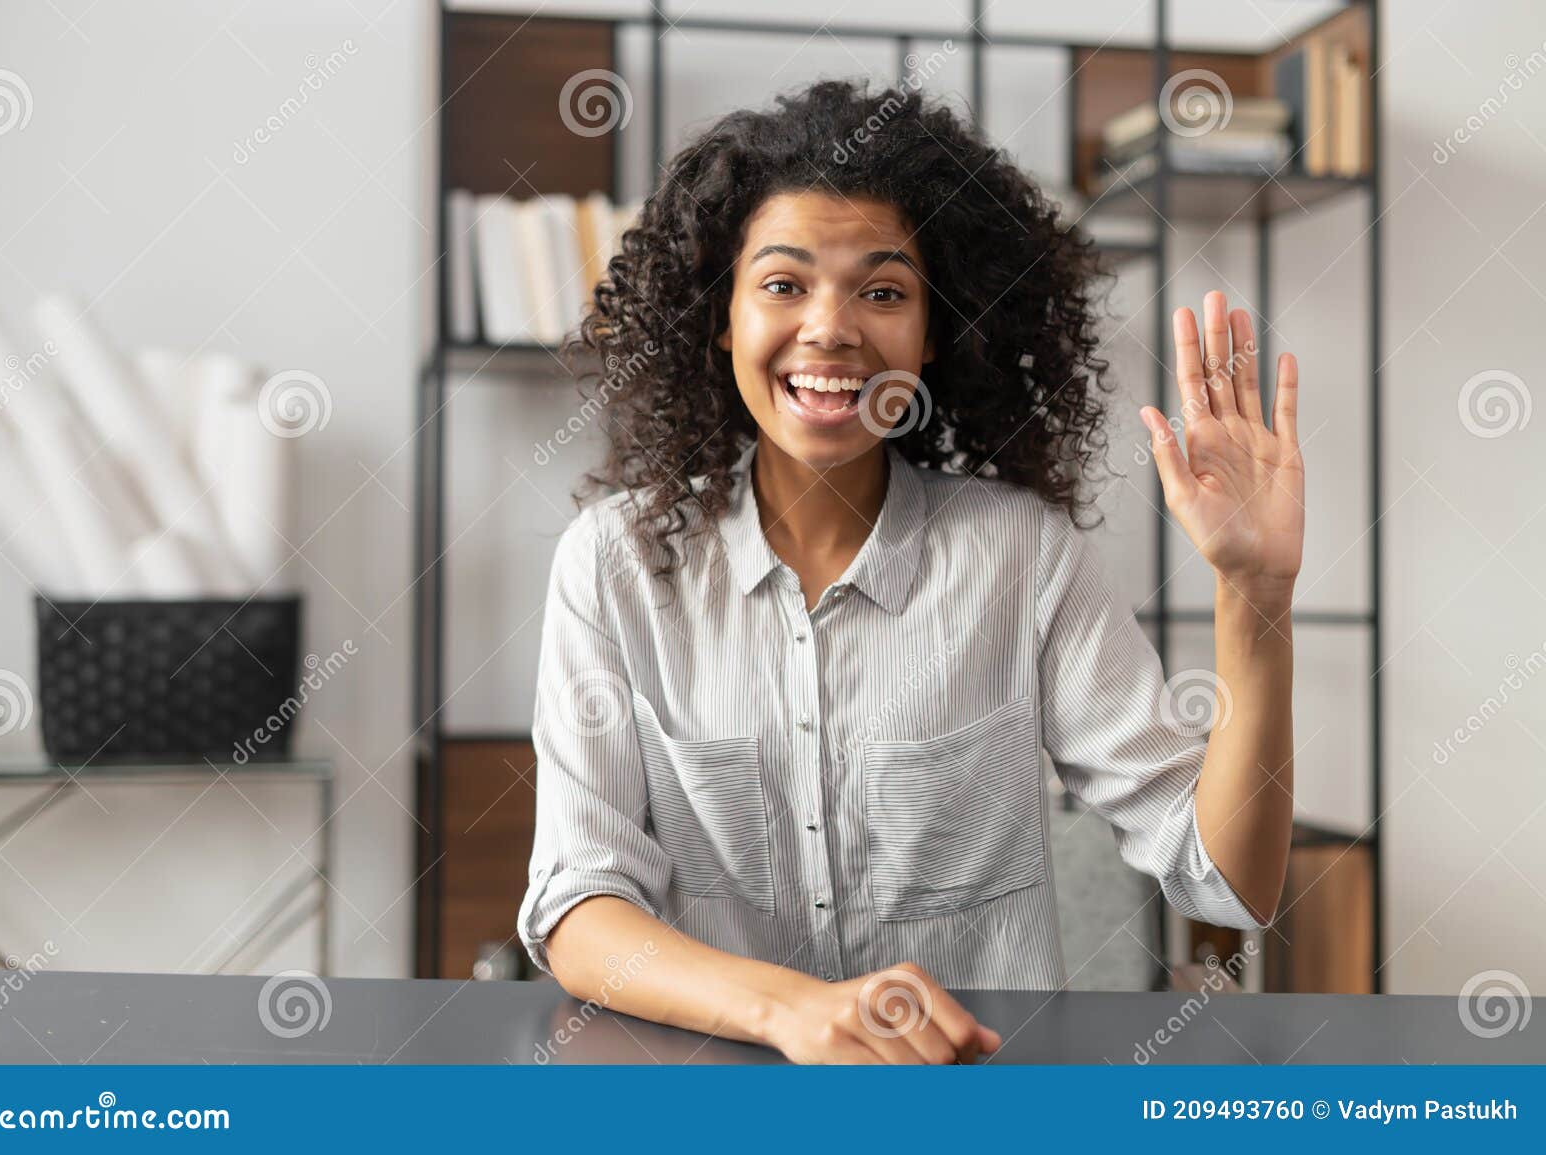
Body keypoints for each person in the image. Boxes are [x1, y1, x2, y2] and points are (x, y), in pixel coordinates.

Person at [517, 79, 1302, 1065]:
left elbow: (1227, 883)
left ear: (935, 334)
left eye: (881, 292)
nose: (832, 329)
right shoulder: (617, 564)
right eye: (783, 284)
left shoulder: (1022, 558)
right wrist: (792, 1011)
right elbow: (576, 906)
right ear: (720, 317)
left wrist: (1254, 599)